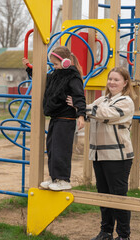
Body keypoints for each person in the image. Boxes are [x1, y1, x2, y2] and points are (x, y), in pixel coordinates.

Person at [67, 67, 136, 240]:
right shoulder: (102, 99)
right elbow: (89, 111)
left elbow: (105, 115)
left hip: (117, 157)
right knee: (103, 196)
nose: (112, 82)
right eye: (110, 79)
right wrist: (79, 107)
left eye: (116, 80)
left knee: (118, 197)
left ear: (125, 83)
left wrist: (81, 106)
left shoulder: (126, 101)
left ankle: (123, 235)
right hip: (99, 155)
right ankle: (106, 232)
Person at [22, 46, 86, 191]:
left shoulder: (72, 76)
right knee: (52, 149)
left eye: (56, 64)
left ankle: (63, 179)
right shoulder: (57, 74)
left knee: (61, 150)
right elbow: (43, 79)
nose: (54, 67)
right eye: (53, 64)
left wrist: (81, 115)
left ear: (65, 62)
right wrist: (29, 68)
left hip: (66, 119)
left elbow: (79, 95)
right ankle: (54, 178)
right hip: (56, 117)